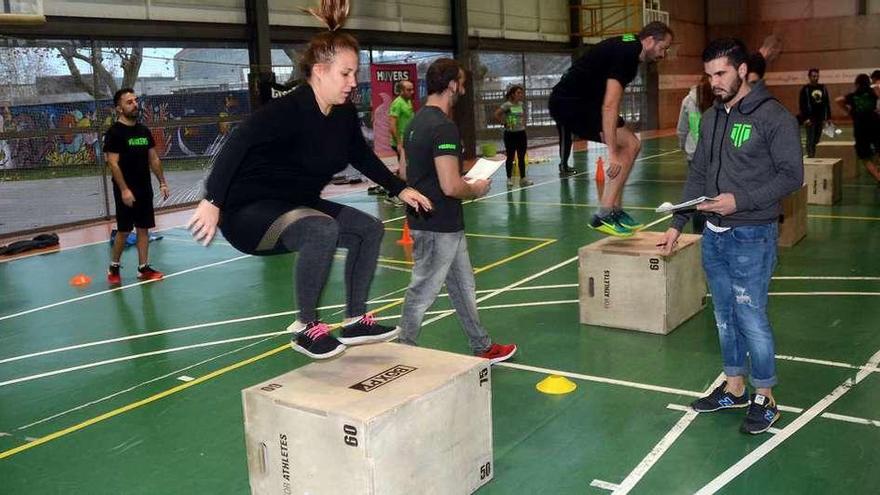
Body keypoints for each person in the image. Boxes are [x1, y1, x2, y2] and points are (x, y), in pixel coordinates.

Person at [187, 0, 433, 360]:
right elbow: (237, 142)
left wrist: (401, 188)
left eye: (355, 73)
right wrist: (213, 201)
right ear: (319, 71)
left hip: (297, 206)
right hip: (249, 215)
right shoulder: (288, 110)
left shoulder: (343, 113)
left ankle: (354, 320)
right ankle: (306, 326)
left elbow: (361, 155)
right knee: (321, 228)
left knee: (369, 229)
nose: (353, 82)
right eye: (346, 74)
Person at [659, 38, 803, 435]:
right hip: (714, 235)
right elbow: (699, 175)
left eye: (721, 73)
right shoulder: (710, 118)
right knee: (723, 315)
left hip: (752, 234)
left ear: (743, 71)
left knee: (750, 315)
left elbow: (792, 176)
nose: (714, 82)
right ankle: (735, 386)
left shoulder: (773, 117)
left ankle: (766, 396)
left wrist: (739, 200)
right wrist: (676, 223)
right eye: (708, 75)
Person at [397, 58, 517, 364]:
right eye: (461, 82)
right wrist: (475, 188)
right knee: (422, 290)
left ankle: (481, 344)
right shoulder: (443, 126)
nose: (463, 88)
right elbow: (450, 187)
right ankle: (401, 349)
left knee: (464, 286)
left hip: (439, 223)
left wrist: (457, 180)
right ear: (452, 84)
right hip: (439, 225)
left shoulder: (414, 123)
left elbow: (406, 171)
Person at [549, 21, 674, 237]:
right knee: (627, 144)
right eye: (663, 48)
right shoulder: (629, 52)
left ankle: (613, 209)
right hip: (570, 104)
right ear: (650, 40)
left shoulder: (629, 44)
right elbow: (610, 105)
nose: (663, 54)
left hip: (585, 103)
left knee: (633, 144)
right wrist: (612, 153)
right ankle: (604, 214)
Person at [104, 88, 169, 285]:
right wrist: (124, 189)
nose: (134, 104)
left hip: (144, 188)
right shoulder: (114, 133)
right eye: (129, 102)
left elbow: (154, 159)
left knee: (143, 228)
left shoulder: (143, 131)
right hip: (125, 190)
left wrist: (162, 182)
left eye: (135, 100)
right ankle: (114, 266)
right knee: (124, 230)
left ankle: (143, 268)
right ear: (119, 108)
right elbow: (113, 163)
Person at [675, 75, 713, 233]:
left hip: (694, 155)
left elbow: (682, 129)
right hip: (713, 156)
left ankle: (699, 233)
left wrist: (683, 146)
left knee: (697, 198)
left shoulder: (688, 100)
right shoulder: (719, 101)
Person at [835, 74, 880, 184]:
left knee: (864, 157)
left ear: (857, 84)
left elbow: (838, 100)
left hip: (860, 128)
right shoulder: (873, 92)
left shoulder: (853, 96)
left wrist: (848, 111)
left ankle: (879, 177)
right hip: (875, 125)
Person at [495, 84, 532, 187]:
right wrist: (503, 122)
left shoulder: (520, 104)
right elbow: (497, 114)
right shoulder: (507, 105)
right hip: (510, 134)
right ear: (512, 94)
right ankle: (509, 178)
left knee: (521, 156)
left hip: (521, 134)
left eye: (521, 93)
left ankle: (523, 178)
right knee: (510, 156)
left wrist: (523, 123)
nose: (520, 95)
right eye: (518, 93)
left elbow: (523, 115)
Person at [798, 68, 832, 158]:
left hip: (820, 118)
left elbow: (826, 103)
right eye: (814, 76)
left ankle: (812, 152)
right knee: (810, 138)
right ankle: (810, 155)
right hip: (810, 118)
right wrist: (805, 118)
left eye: (817, 76)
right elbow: (802, 105)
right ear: (809, 77)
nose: (816, 78)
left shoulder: (823, 88)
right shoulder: (805, 89)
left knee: (817, 139)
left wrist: (828, 117)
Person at [389, 79, 415, 160]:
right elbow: (392, 126)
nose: (412, 92)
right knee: (405, 165)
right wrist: (399, 143)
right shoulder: (397, 103)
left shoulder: (408, 101)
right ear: (401, 91)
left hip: (408, 139)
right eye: (408, 90)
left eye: (412, 89)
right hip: (401, 141)